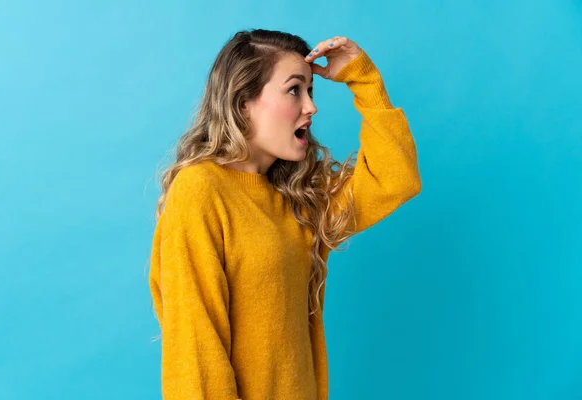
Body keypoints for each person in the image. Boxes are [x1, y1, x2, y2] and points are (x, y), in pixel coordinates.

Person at [148, 28, 422, 400]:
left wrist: (363, 78)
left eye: (310, 90)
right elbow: (196, 347)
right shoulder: (200, 190)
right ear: (243, 101)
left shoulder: (298, 196)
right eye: (295, 90)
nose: (311, 107)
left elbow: (395, 179)